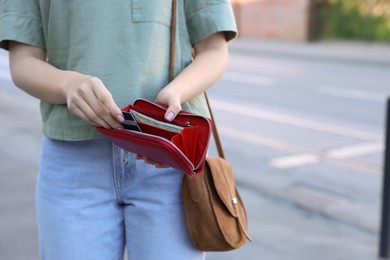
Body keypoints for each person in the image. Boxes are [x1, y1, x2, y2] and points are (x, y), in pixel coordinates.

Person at [0, 0, 237, 259]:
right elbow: (22, 61)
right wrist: (68, 85)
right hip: (73, 168)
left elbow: (214, 49)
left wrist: (176, 92)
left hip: (167, 163)